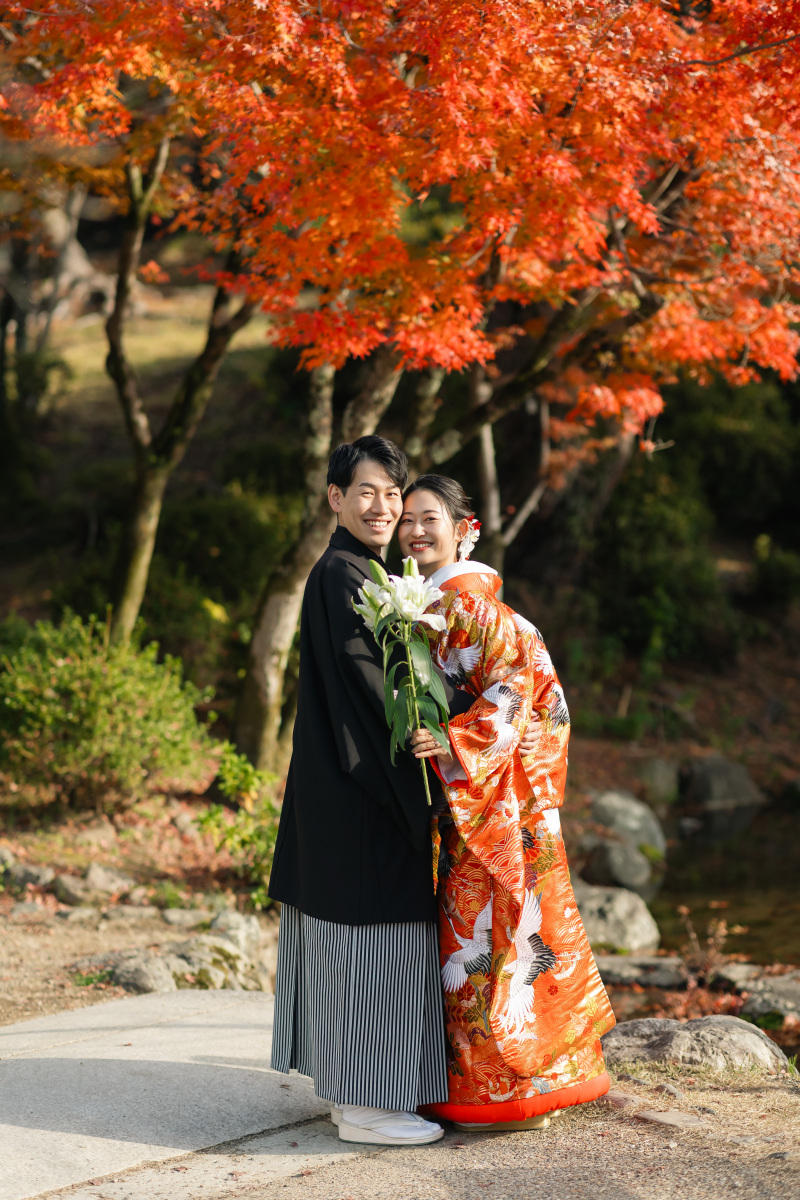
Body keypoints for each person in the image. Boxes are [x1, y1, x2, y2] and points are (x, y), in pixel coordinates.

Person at [268, 436, 541, 1146]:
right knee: (372, 939)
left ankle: (358, 1094)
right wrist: (449, 727)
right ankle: (365, 1107)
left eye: (393, 494)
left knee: (363, 938)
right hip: (359, 787)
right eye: (367, 492)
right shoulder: (343, 575)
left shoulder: (362, 569)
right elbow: (374, 688)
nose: (384, 506)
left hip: (346, 784)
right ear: (334, 499)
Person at [398, 474, 615, 1131]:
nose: (414, 530)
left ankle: (502, 1092)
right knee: (491, 942)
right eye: (407, 519)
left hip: (495, 802)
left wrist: (453, 739)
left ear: (468, 529)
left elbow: (520, 691)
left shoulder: (473, 607)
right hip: (488, 797)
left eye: (429, 517)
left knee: (487, 942)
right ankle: (516, 1083)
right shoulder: (439, 603)